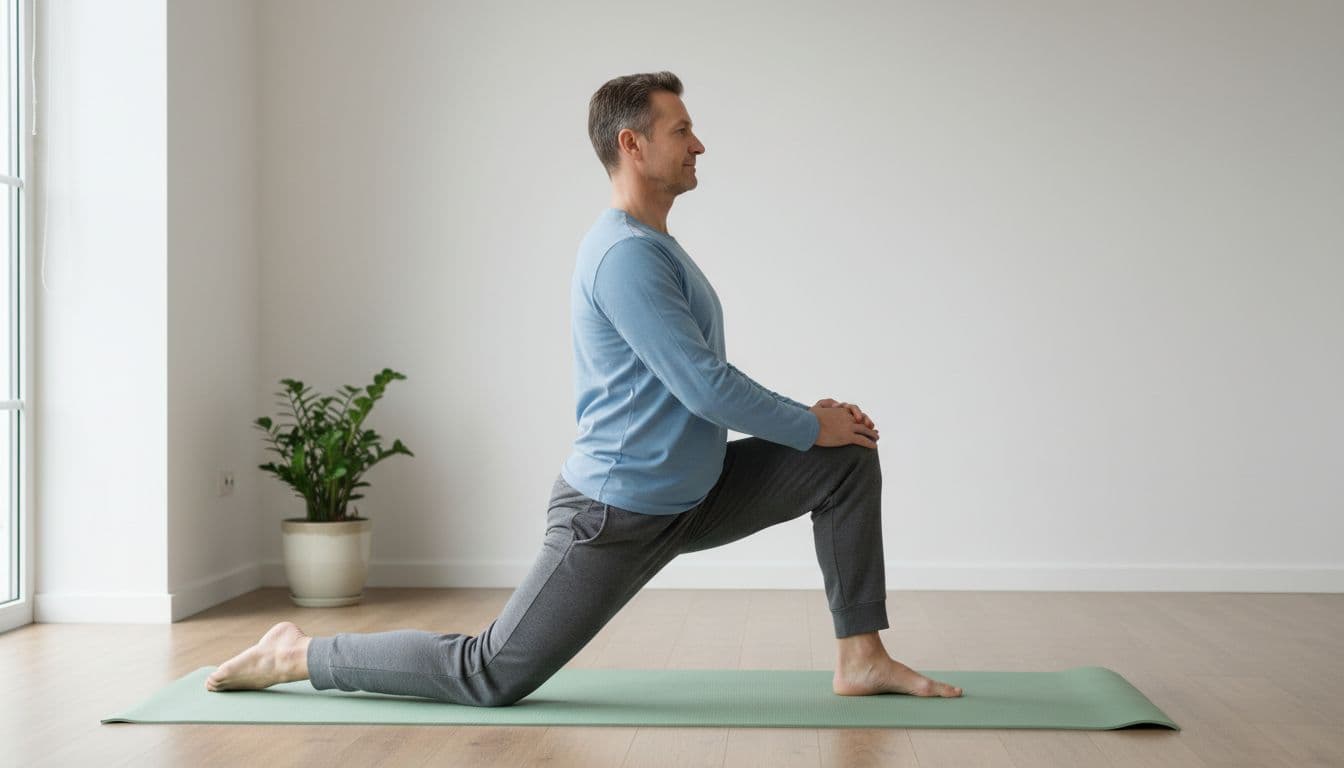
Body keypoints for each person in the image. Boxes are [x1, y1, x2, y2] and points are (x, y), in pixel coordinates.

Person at [205, 71, 963, 704]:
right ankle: (299, 655)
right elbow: (703, 386)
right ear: (632, 144)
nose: (699, 144)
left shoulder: (658, 247)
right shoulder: (624, 256)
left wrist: (823, 429)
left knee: (846, 460)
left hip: (691, 496)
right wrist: (807, 420)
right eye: (681, 130)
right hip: (615, 512)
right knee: (491, 672)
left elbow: (702, 385)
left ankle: (860, 655)